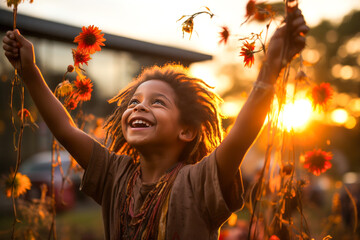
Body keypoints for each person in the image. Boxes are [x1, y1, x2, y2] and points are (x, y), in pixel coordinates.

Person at [2, 8, 308, 240]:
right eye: (135, 101)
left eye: (157, 102)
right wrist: (30, 71)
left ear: (186, 131)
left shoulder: (199, 181)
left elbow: (241, 135)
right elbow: (66, 130)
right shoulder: (114, 173)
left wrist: (269, 70)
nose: (140, 107)